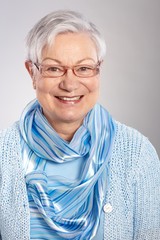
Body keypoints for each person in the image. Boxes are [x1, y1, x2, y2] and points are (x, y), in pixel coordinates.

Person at [0, 10, 160, 240]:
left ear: (98, 71)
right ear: (32, 72)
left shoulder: (137, 154)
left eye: (83, 68)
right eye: (54, 68)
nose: (70, 83)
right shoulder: (3, 155)